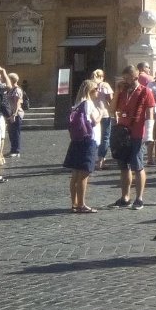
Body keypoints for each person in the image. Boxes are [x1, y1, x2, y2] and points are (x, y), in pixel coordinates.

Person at [112, 65, 154, 209]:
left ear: (135, 77)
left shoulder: (145, 91)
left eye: (127, 78)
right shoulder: (123, 92)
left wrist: (149, 134)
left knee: (137, 165)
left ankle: (139, 198)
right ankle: (125, 197)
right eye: (123, 78)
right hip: (123, 133)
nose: (125, 81)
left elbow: (150, 114)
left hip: (137, 133)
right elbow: (112, 109)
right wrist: (117, 92)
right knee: (124, 166)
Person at [64, 78, 103, 212]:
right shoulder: (89, 103)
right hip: (88, 140)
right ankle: (81, 204)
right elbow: (94, 122)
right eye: (96, 89)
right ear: (90, 90)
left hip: (77, 140)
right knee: (84, 174)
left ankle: (74, 203)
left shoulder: (77, 103)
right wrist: (101, 113)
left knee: (75, 173)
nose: (98, 91)